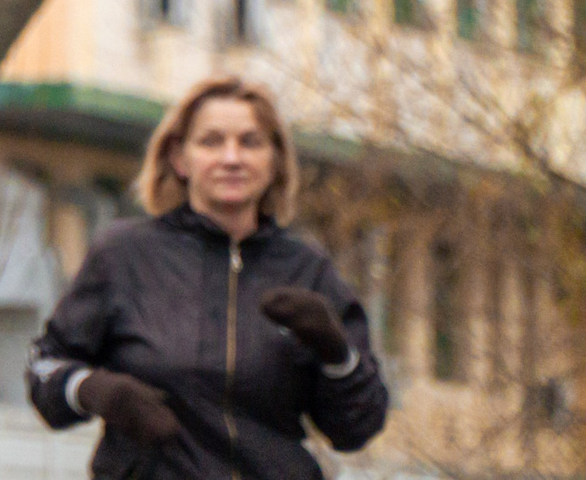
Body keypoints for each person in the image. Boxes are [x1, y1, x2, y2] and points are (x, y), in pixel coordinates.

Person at [28, 74, 390, 478]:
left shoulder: (308, 268)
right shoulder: (124, 254)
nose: (231, 158)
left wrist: (337, 355)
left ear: (274, 161)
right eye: (211, 141)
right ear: (180, 159)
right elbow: (44, 370)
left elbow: (358, 428)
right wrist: (93, 390)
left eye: (250, 142)